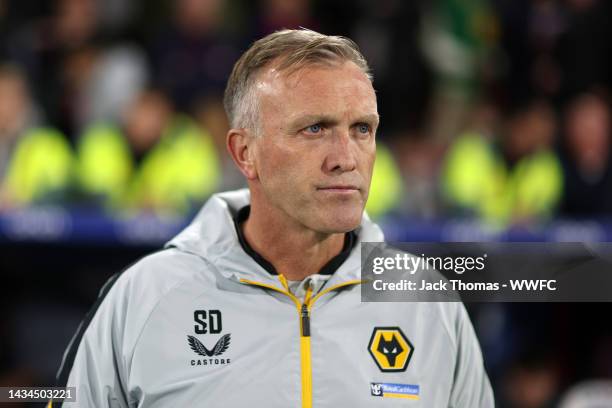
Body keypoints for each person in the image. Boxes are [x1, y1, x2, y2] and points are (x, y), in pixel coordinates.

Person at [51, 29, 494, 407]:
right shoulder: (145, 297)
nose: (345, 158)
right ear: (245, 153)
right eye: (314, 128)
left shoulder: (426, 304)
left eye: (362, 129)